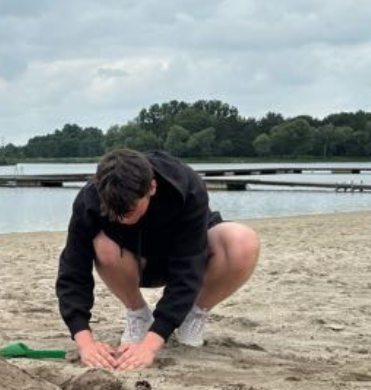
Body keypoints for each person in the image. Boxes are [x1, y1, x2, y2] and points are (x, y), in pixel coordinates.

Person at [56, 149, 260, 371]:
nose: (123, 220)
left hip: (185, 255)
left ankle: (193, 314)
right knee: (103, 244)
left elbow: (188, 269)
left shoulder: (187, 187)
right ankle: (138, 315)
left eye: (130, 210)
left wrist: (150, 347)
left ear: (152, 188)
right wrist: (85, 343)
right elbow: (73, 268)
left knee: (243, 241)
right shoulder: (90, 198)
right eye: (115, 214)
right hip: (132, 262)